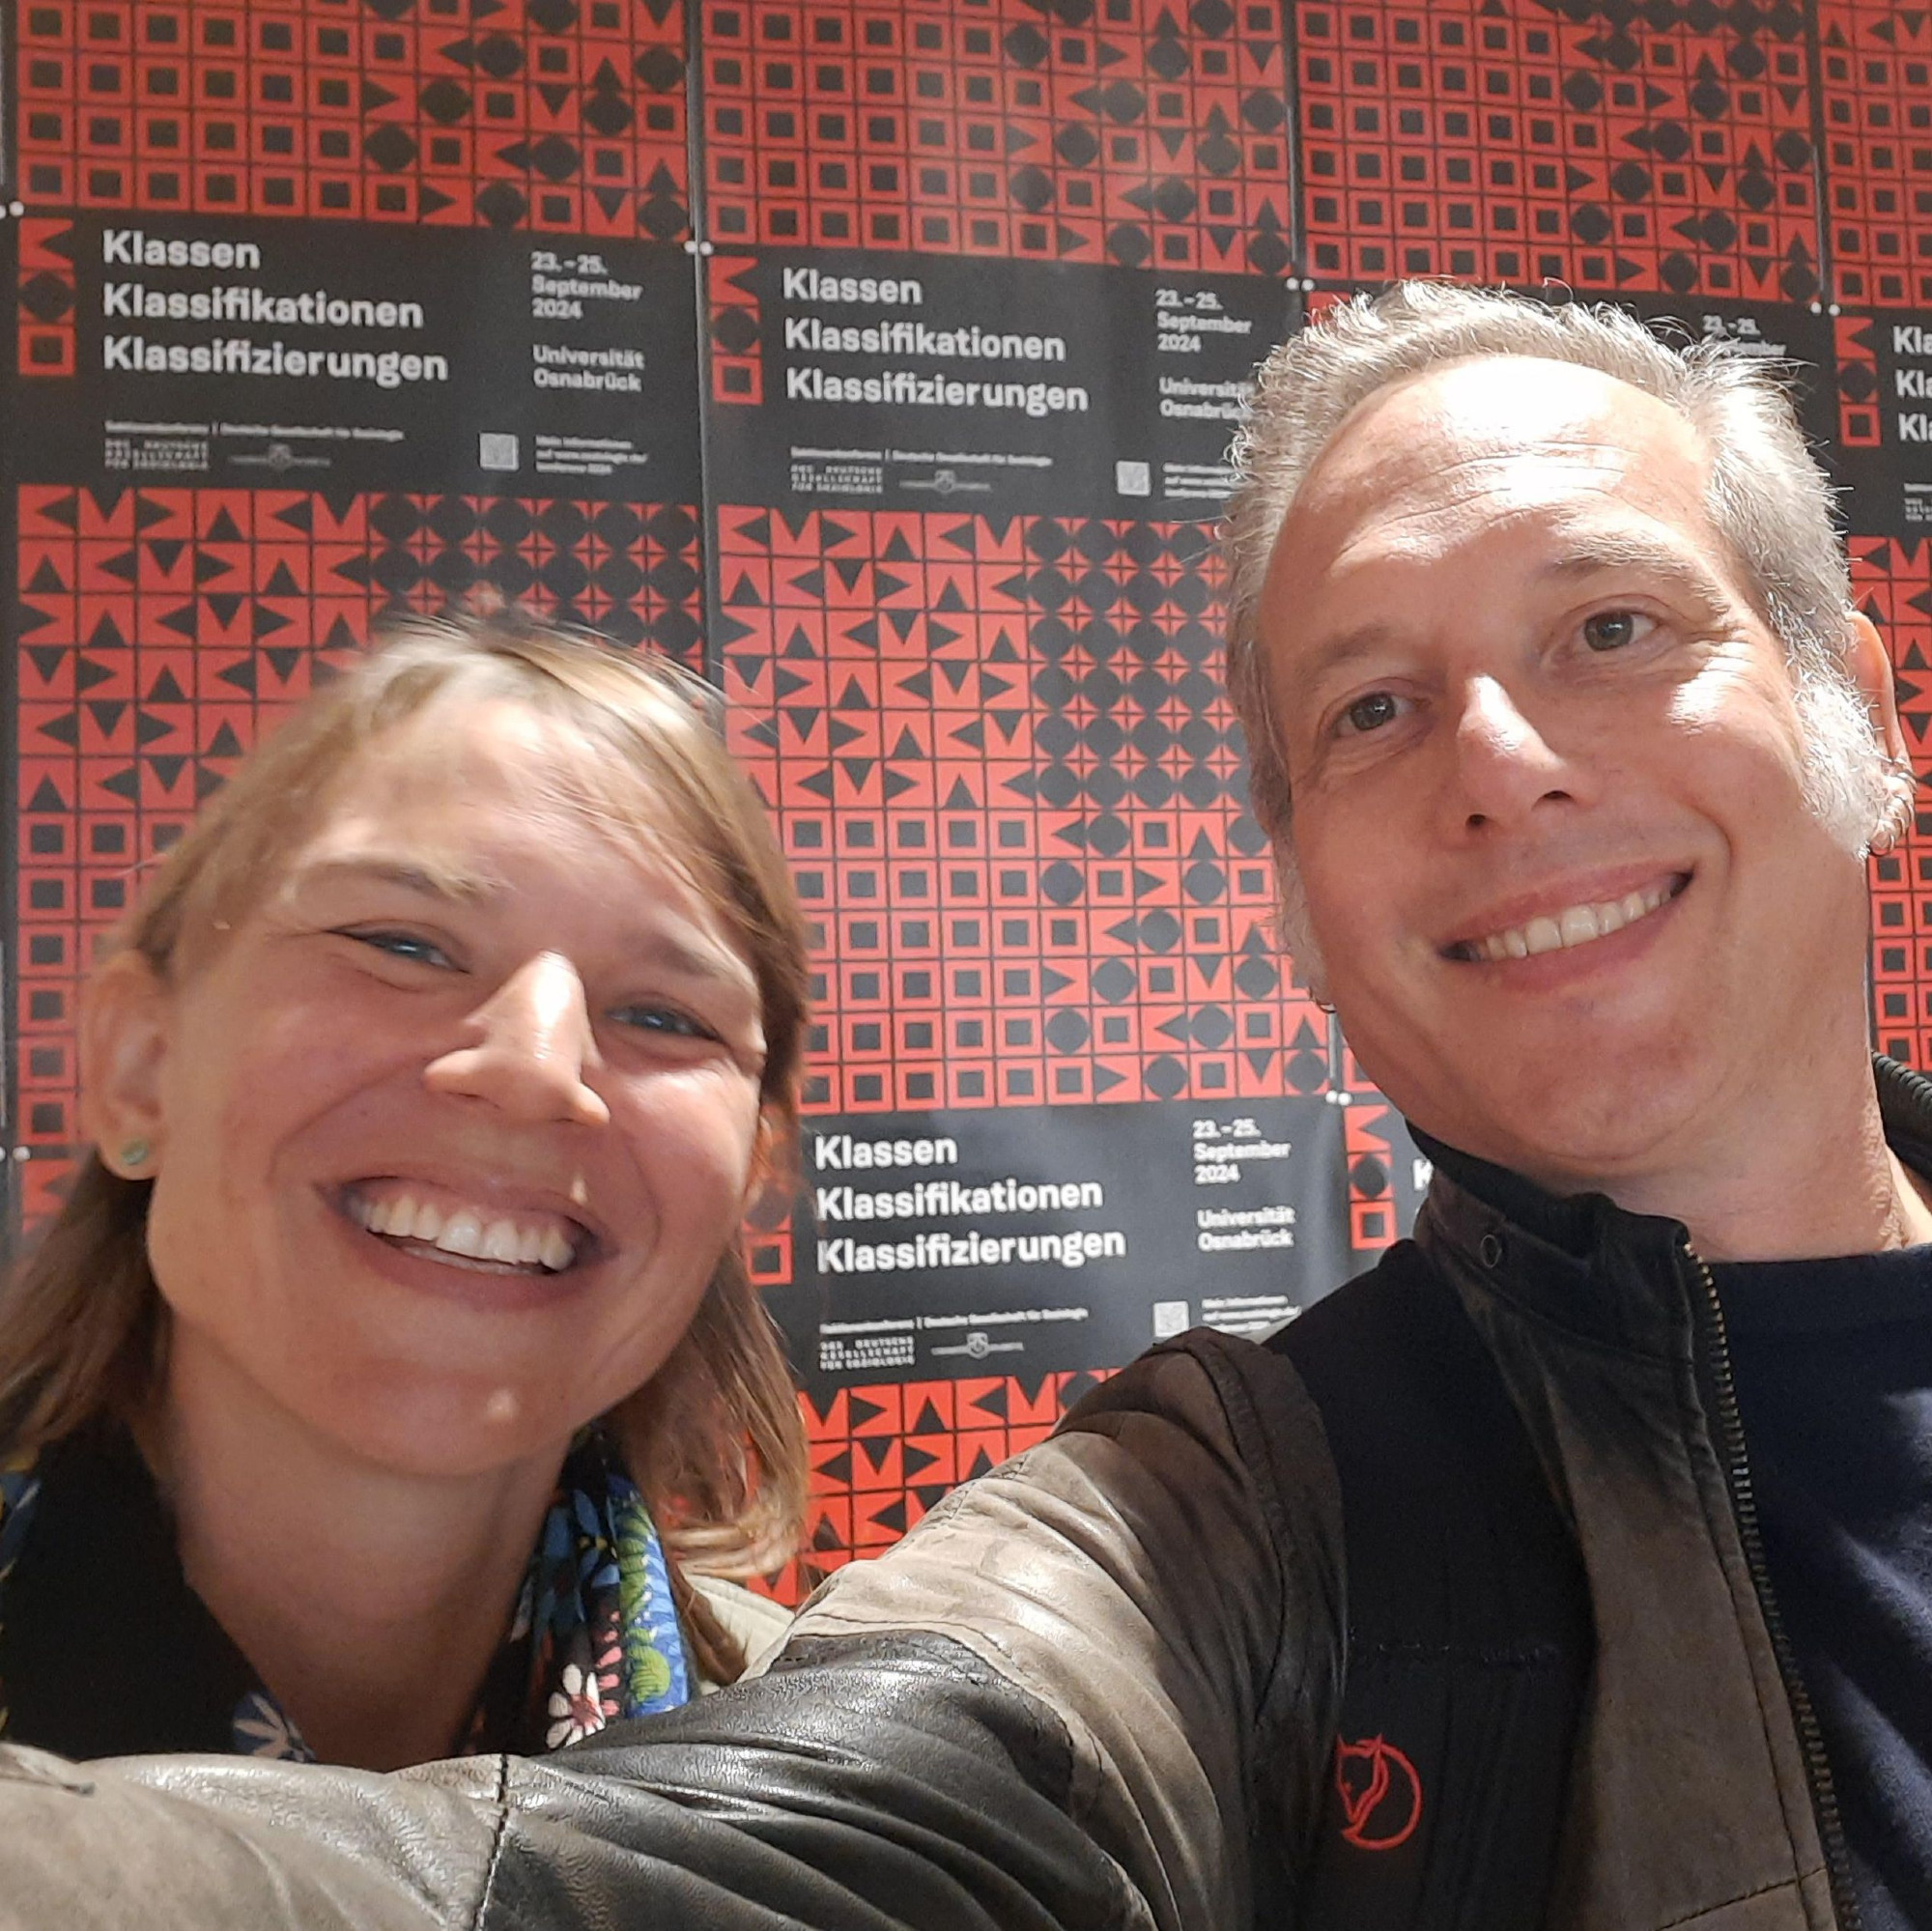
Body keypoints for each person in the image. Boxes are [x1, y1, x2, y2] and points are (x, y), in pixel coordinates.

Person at [0, 280, 1922, 1930]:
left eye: (1611, 626)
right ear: (1295, 897)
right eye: (1371, 708)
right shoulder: (1240, 1520)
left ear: (1858, 707)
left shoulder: (712, 1665)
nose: (1499, 763)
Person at [0, 612, 810, 1769]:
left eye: (662, 1015)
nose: (535, 1066)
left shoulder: (840, 1802)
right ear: (141, 1067)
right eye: (403, 943)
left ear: (745, 1174)